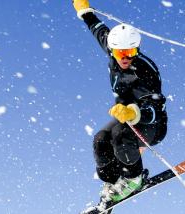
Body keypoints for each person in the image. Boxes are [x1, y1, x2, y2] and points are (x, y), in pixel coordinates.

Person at [73, 0, 169, 208]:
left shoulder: (145, 70)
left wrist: (133, 113)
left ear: (136, 49)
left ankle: (133, 179)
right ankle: (112, 186)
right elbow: (97, 28)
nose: (125, 58)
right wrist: (84, 11)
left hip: (152, 124)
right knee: (100, 141)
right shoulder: (112, 49)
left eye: (130, 53)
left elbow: (154, 107)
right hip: (124, 118)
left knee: (120, 135)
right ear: (113, 49)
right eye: (120, 53)